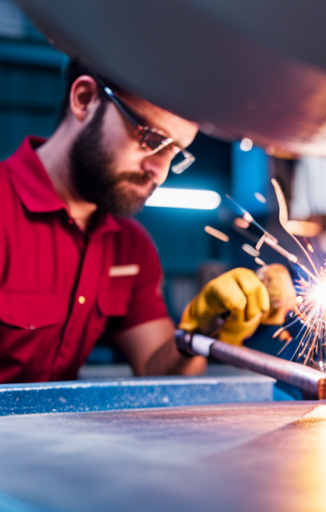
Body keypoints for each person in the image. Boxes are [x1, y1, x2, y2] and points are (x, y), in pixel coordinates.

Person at [0, 59, 272, 384]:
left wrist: (201, 333)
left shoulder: (129, 247)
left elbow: (156, 367)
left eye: (175, 153)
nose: (159, 172)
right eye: (153, 140)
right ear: (85, 99)